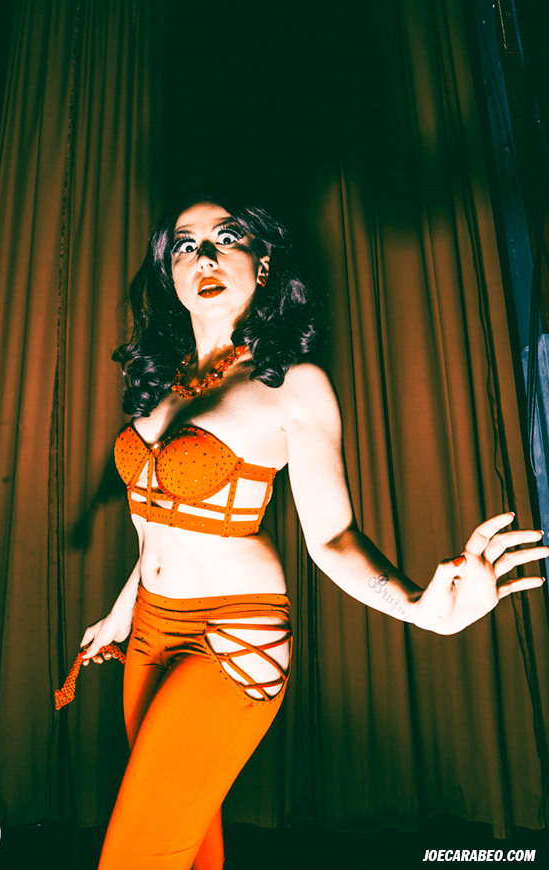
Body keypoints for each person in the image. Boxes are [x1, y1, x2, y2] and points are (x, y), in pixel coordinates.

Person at [79, 194, 547, 870]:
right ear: (169, 273)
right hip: (150, 633)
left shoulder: (293, 385)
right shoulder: (161, 381)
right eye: (184, 245)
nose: (204, 256)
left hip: (231, 640)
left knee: (138, 854)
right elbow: (155, 519)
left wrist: (419, 608)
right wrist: (121, 614)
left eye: (226, 238)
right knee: (191, 846)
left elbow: (332, 537)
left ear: (263, 264)